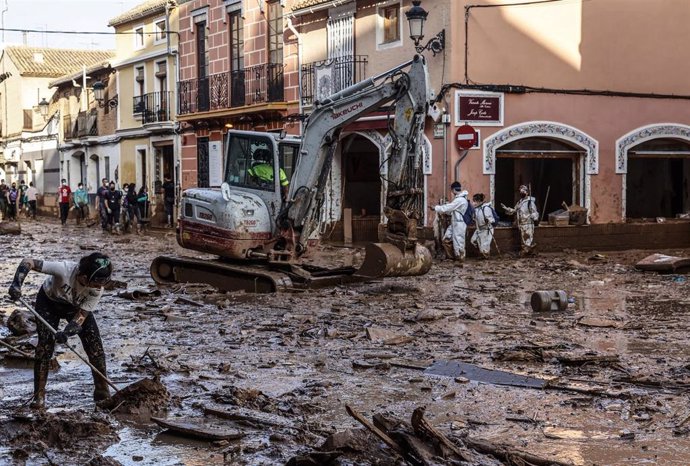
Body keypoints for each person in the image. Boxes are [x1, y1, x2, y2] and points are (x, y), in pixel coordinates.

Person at [8, 252, 113, 409]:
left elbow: (81, 316)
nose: (100, 287)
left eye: (103, 283)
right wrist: (17, 284)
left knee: (95, 346)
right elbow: (28, 262)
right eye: (96, 283)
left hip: (75, 307)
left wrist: (67, 333)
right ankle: (39, 397)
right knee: (45, 347)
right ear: (84, 276)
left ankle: (102, 393)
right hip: (49, 302)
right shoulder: (63, 269)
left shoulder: (97, 290)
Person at [432, 181, 469, 265]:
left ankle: (460, 258)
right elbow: (451, 210)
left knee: (459, 241)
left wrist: (436, 208)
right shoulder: (458, 199)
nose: (452, 192)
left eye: (452, 190)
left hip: (459, 223)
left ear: (453, 190)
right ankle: (451, 257)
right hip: (454, 222)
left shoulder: (460, 200)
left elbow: (448, 208)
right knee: (446, 239)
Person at [502, 184, 539, 256]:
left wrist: (533, 217)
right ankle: (530, 252)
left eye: (523, 191)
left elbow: (535, 212)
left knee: (528, 239)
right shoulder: (520, 202)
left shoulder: (530, 202)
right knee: (523, 240)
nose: (521, 192)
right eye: (520, 191)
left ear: (527, 192)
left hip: (528, 224)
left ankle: (527, 252)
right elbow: (514, 210)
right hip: (521, 223)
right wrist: (506, 208)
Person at [471, 193, 496, 259]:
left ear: (479, 201)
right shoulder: (477, 209)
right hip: (479, 229)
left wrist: (488, 220)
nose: (473, 203)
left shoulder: (486, 208)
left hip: (487, 230)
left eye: (474, 201)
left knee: (484, 246)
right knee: (473, 240)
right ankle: (483, 255)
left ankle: (486, 258)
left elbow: (492, 220)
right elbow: (475, 218)